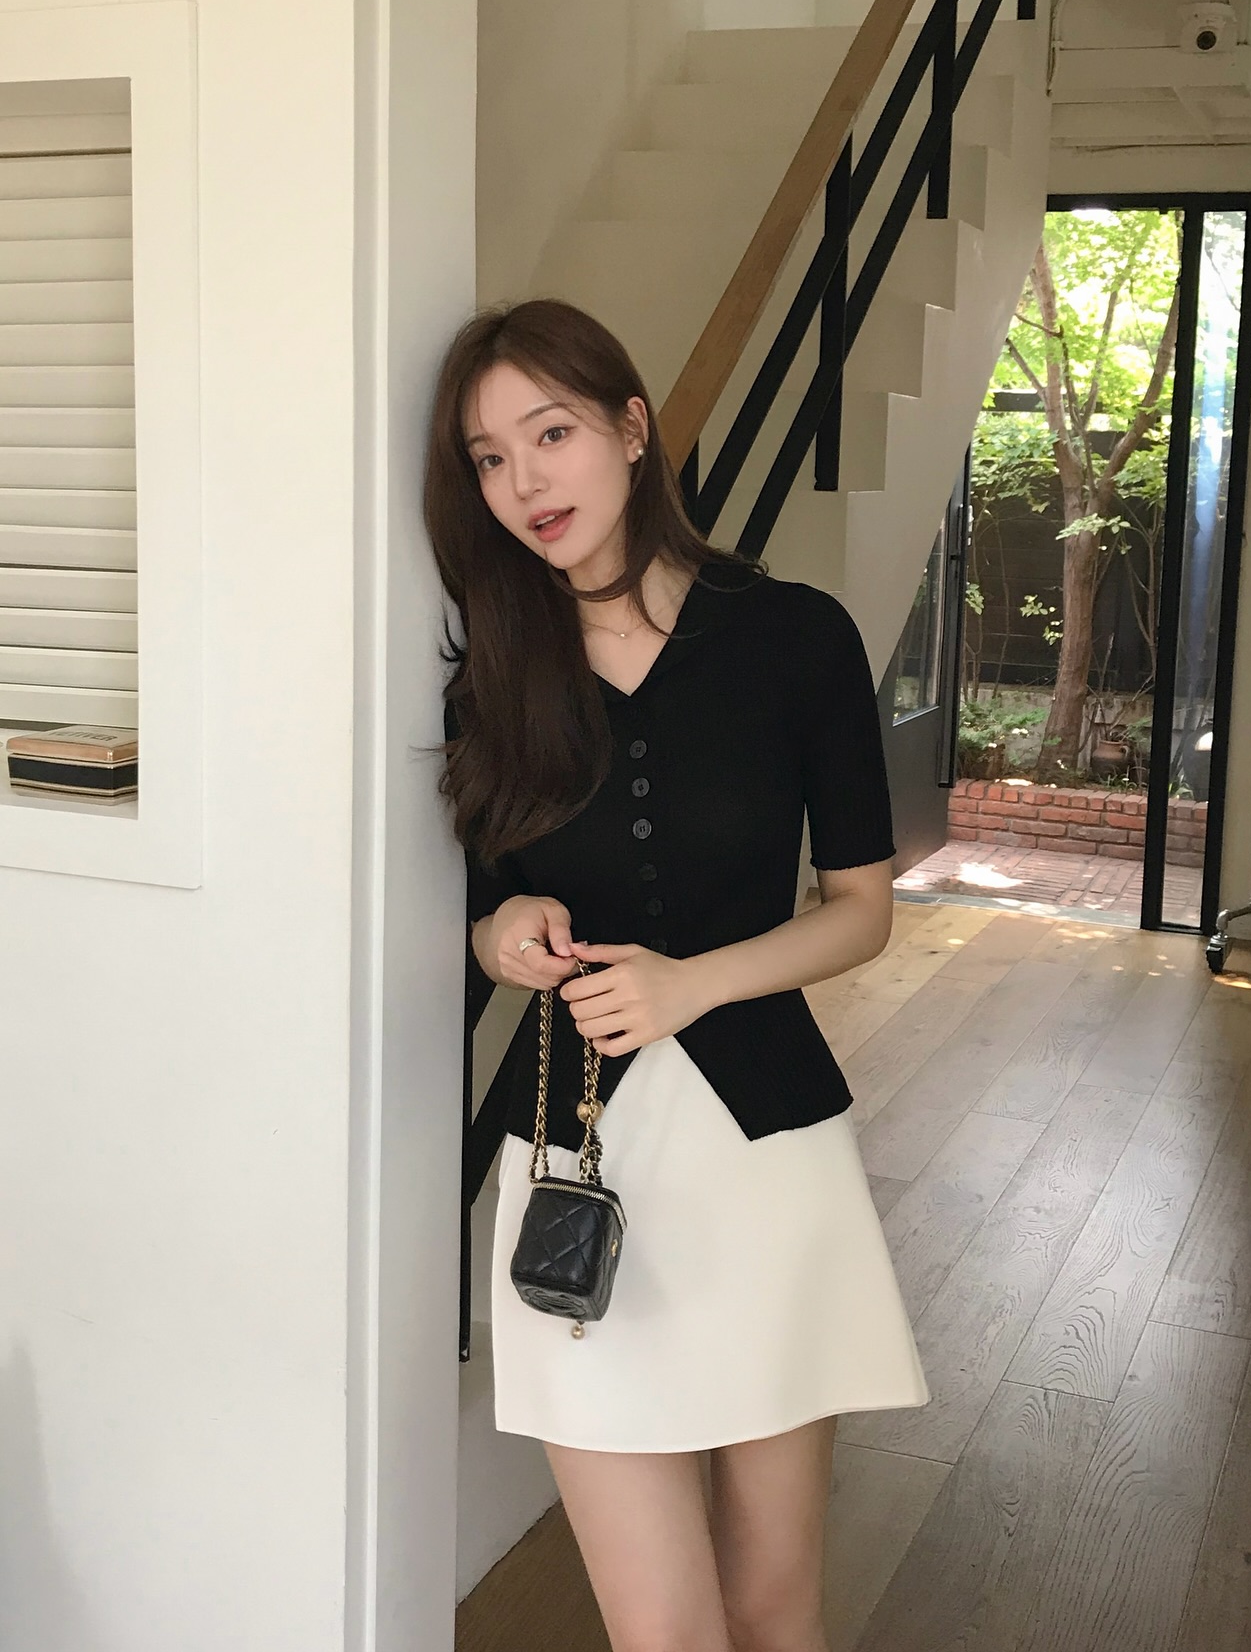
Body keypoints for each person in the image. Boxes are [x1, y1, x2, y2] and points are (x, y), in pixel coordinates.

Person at [423, 298, 929, 1652]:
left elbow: (862, 912)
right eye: (488, 458)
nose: (524, 482)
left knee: (773, 1610)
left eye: (551, 434)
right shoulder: (490, 673)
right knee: (664, 1632)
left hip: (768, 1165)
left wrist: (694, 985)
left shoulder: (796, 637)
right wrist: (501, 931)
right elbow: (472, 912)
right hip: (576, 1172)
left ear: (633, 430)